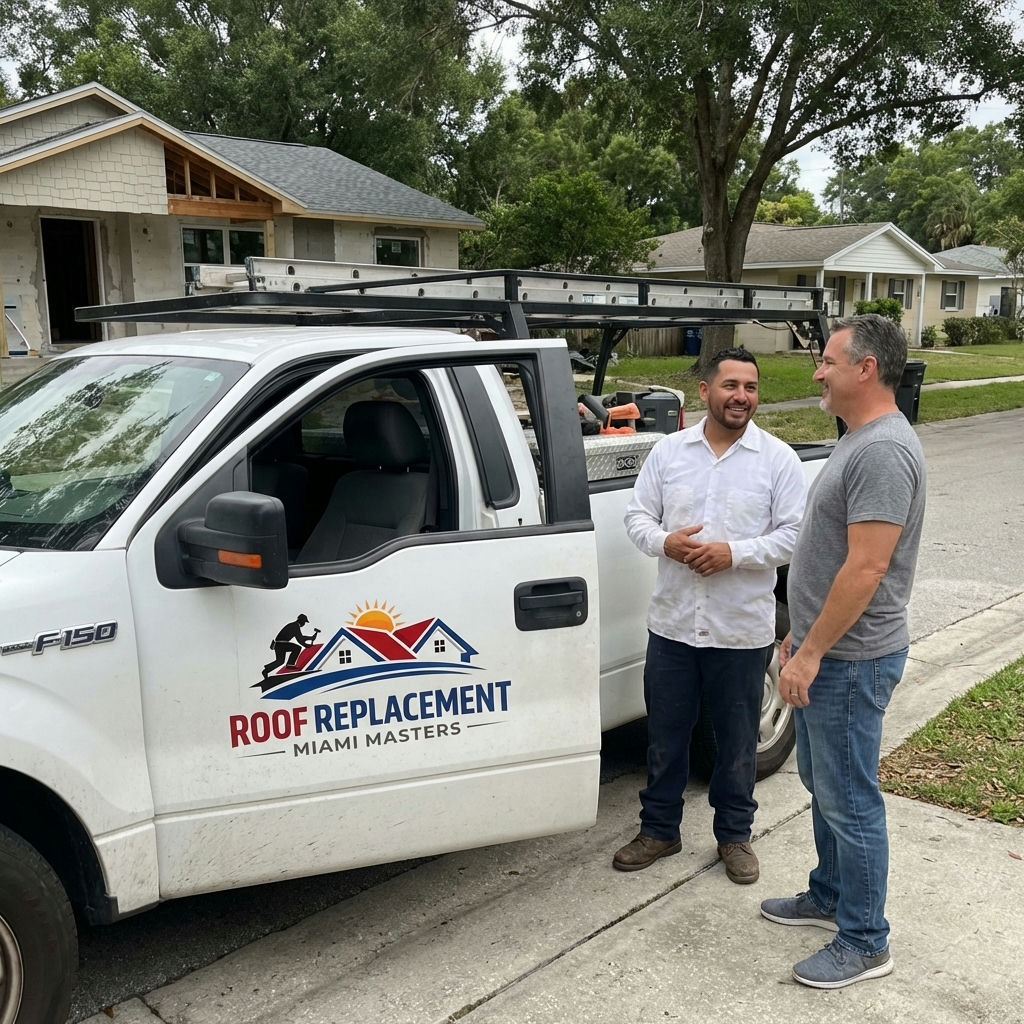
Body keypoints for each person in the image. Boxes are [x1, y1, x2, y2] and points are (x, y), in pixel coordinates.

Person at [761, 314, 926, 989]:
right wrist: (801, 632)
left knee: (849, 797)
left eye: (827, 361)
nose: (816, 371)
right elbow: (833, 558)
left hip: (852, 660)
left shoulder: (883, 451)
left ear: (865, 368)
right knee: (822, 784)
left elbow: (866, 569)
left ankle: (864, 940)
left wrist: (811, 655)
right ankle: (829, 895)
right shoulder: (862, 440)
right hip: (832, 649)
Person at [614, 347, 807, 883]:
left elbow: (793, 536)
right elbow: (636, 517)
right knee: (666, 735)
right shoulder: (669, 453)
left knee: (737, 738)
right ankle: (659, 830)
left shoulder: (778, 460)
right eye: (730, 386)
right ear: (705, 391)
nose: (741, 396)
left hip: (741, 629)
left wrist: (733, 554)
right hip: (673, 625)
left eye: (750, 386)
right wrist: (664, 542)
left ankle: (735, 837)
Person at [260, 614, 320, 686]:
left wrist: (310, 638)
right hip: (282, 644)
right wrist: (307, 645)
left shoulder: (293, 625)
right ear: (301, 620)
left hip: (278, 645)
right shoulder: (295, 626)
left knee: (280, 661)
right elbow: (300, 639)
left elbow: (300, 637)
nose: (304, 624)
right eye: (304, 622)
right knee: (297, 648)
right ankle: (290, 664)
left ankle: (266, 670)